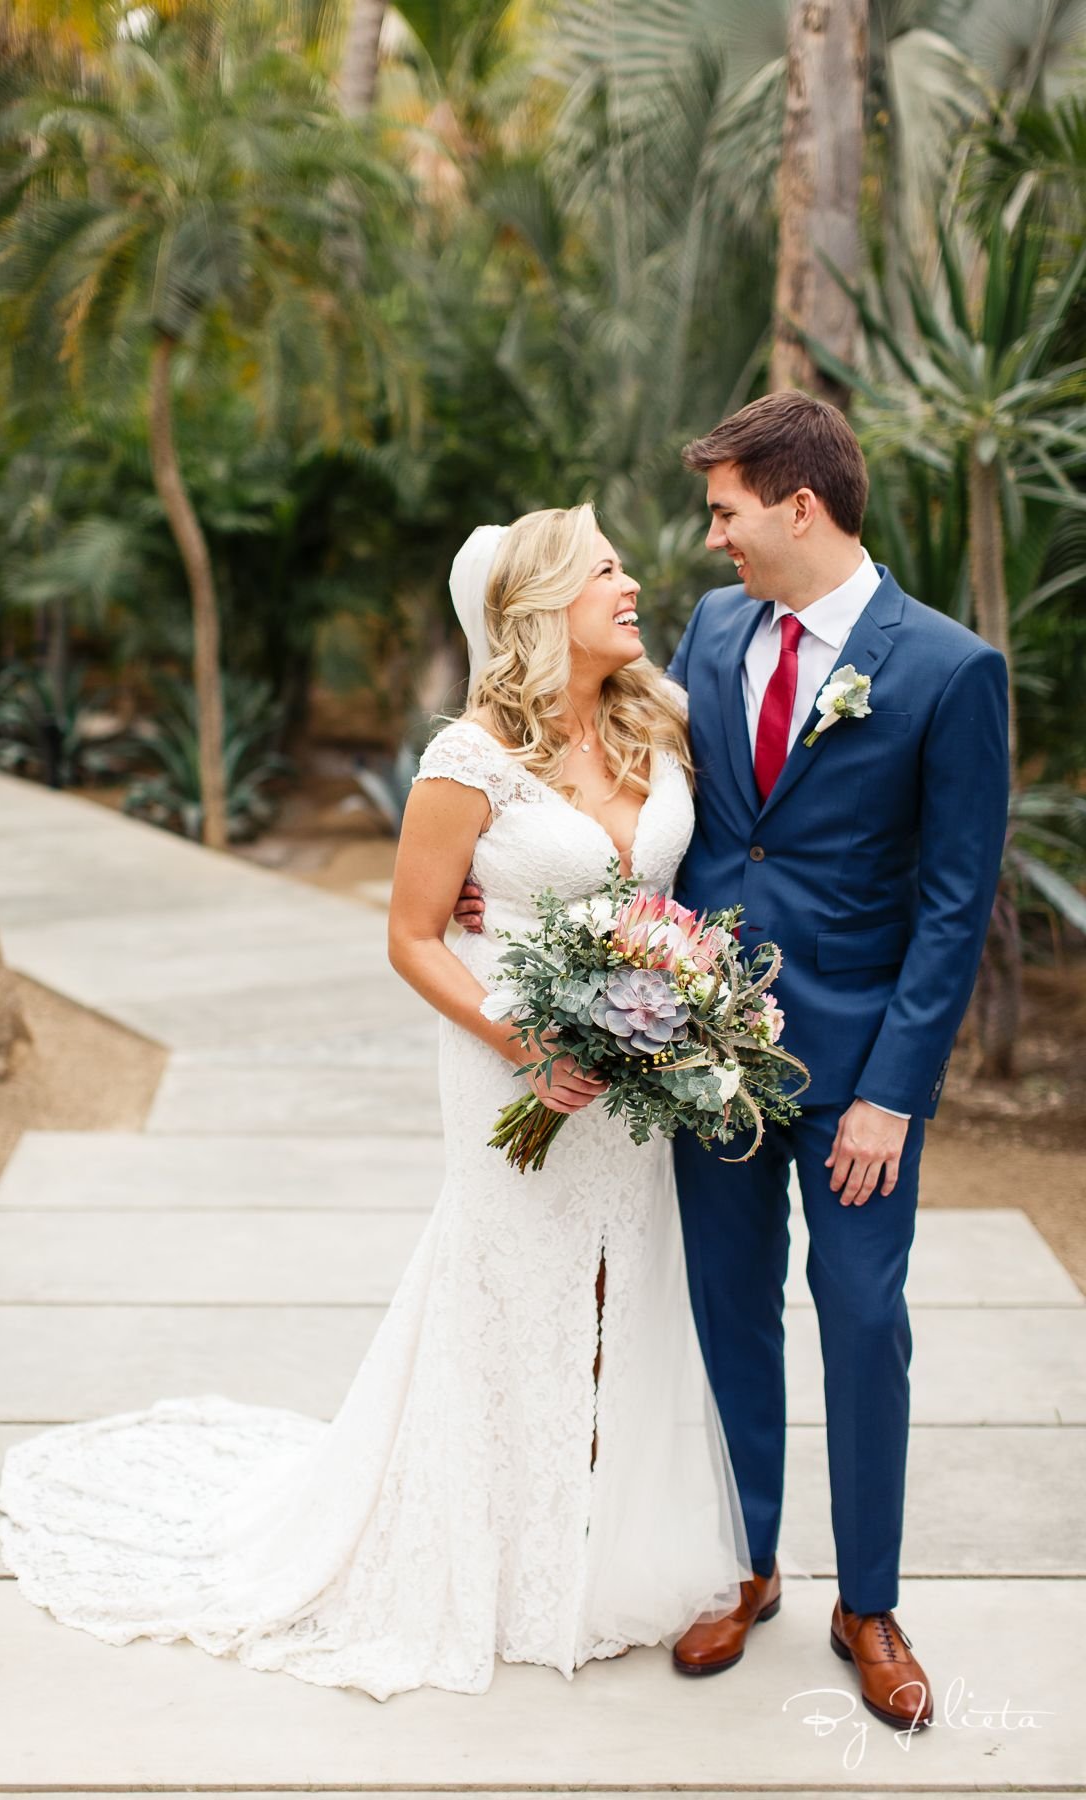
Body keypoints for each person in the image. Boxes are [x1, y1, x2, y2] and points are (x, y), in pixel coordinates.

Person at [0, 501, 751, 1702]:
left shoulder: (661, 721)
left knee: (625, 1286)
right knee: (510, 1286)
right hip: (513, 1052)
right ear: (546, 604)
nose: (632, 585)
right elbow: (410, 934)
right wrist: (528, 1038)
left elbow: (685, 880)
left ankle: (596, 1545)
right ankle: (489, 1550)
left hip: (638, 1069)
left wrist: (674, 999)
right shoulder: (468, 761)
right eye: (606, 569)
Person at [456, 394, 1010, 1731]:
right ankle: (747, 1561)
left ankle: (866, 1600)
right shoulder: (712, 634)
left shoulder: (946, 670)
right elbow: (629, 788)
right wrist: (502, 883)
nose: (711, 541)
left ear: (799, 507)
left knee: (866, 1322)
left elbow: (954, 903)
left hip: (860, 1072)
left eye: (727, 512)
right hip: (699, 1052)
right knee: (727, 1311)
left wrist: (891, 1092)